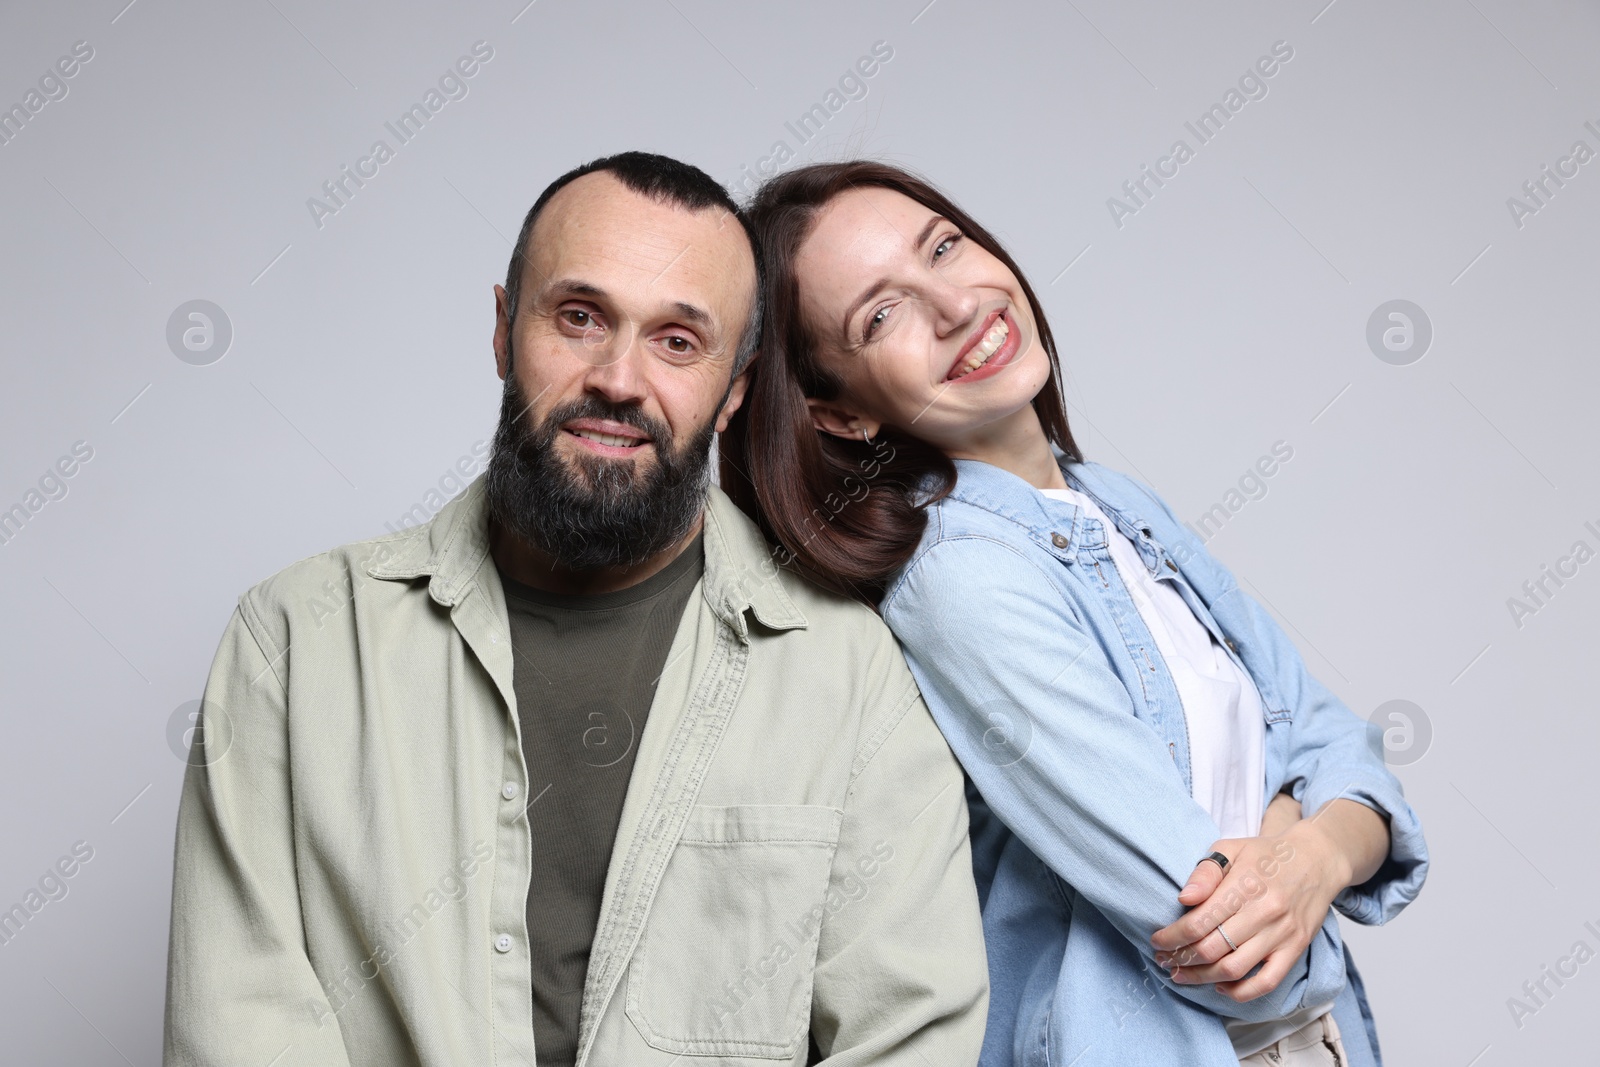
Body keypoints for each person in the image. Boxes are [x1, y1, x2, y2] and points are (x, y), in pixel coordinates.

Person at [162, 151, 989, 1067]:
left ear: (736, 391)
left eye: (679, 340)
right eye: (581, 318)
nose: (619, 379)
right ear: (504, 329)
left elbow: (912, 1032)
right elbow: (239, 1027)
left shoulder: (847, 671)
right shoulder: (294, 640)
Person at [719, 160, 1429, 1067]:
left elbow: (1345, 747)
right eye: (882, 315)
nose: (956, 304)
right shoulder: (958, 583)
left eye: (944, 246)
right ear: (841, 414)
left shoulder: (1118, 504)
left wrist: (1314, 860)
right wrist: (1320, 842)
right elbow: (1213, 943)